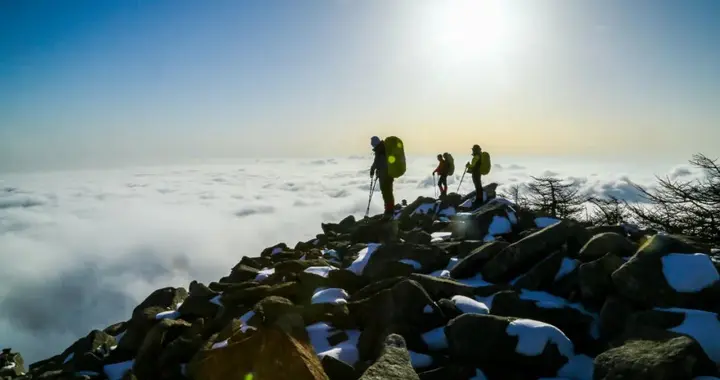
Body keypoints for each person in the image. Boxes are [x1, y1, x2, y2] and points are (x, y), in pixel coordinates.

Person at [370, 136, 395, 218]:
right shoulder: (383, 149)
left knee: (386, 192)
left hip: (385, 175)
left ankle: (389, 210)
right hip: (389, 174)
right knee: (388, 192)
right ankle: (389, 209)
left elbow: (377, 162)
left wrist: (373, 169)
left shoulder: (380, 150)